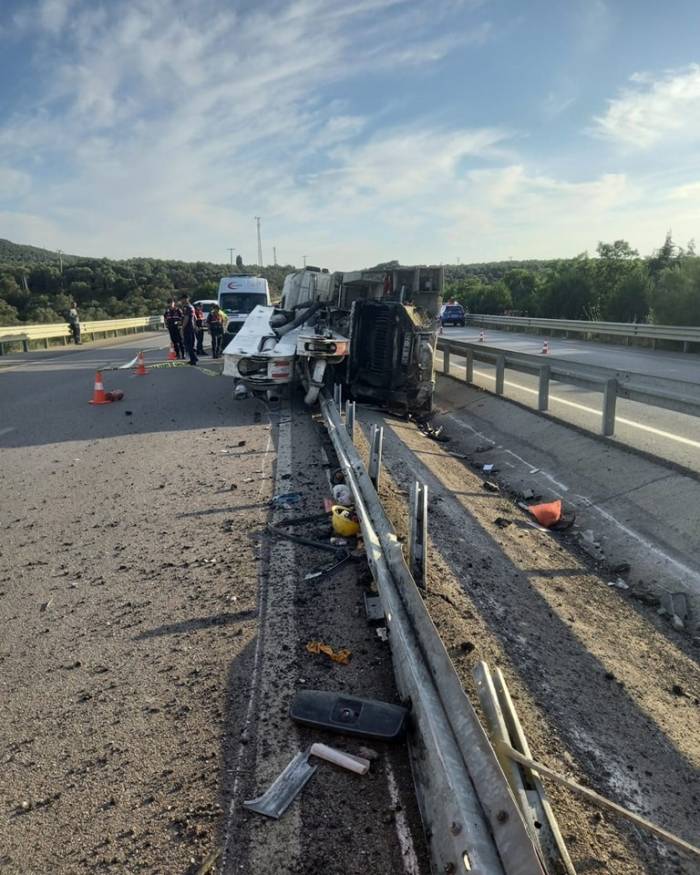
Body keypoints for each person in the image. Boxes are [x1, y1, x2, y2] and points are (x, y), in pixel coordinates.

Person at [180, 294, 198, 365]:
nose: (181, 301)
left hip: (188, 328)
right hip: (191, 327)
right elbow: (195, 317)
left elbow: (186, 318)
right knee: (191, 344)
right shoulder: (192, 307)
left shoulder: (187, 307)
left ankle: (193, 360)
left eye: (182, 299)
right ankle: (194, 358)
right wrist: (195, 325)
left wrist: (182, 327)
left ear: (186, 299)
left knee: (188, 345)